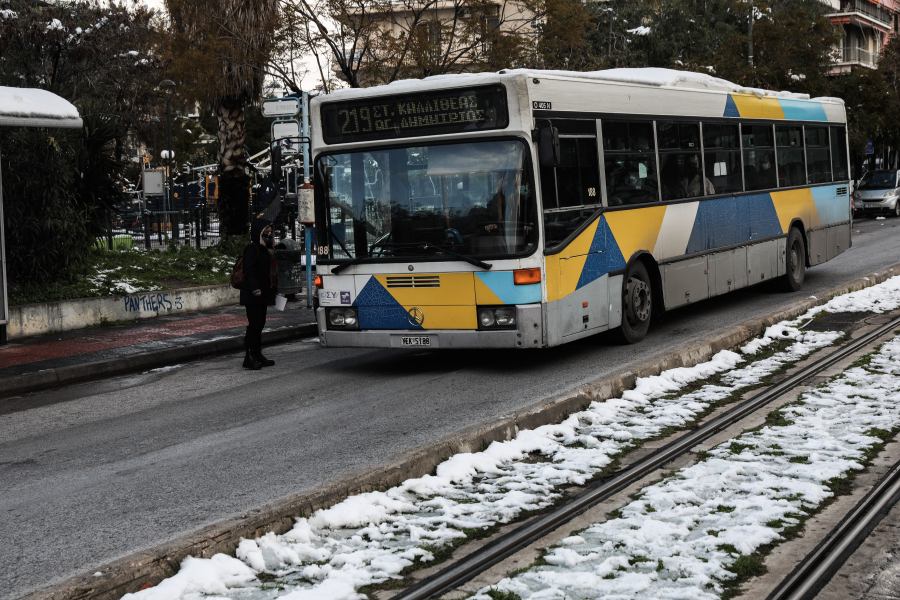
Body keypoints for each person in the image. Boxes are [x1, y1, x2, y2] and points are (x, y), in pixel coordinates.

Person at [240, 217, 278, 370]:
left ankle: (257, 354)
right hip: (253, 295)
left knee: (260, 324)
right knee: (254, 325)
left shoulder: (269, 250)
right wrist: (256, 289)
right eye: (266, 232)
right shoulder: (252, 248)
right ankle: (248, 356)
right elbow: (249, 271)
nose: (269, 235)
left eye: (270, 232)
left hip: (264, 295)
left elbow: (272, 273)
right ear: (258, 233)